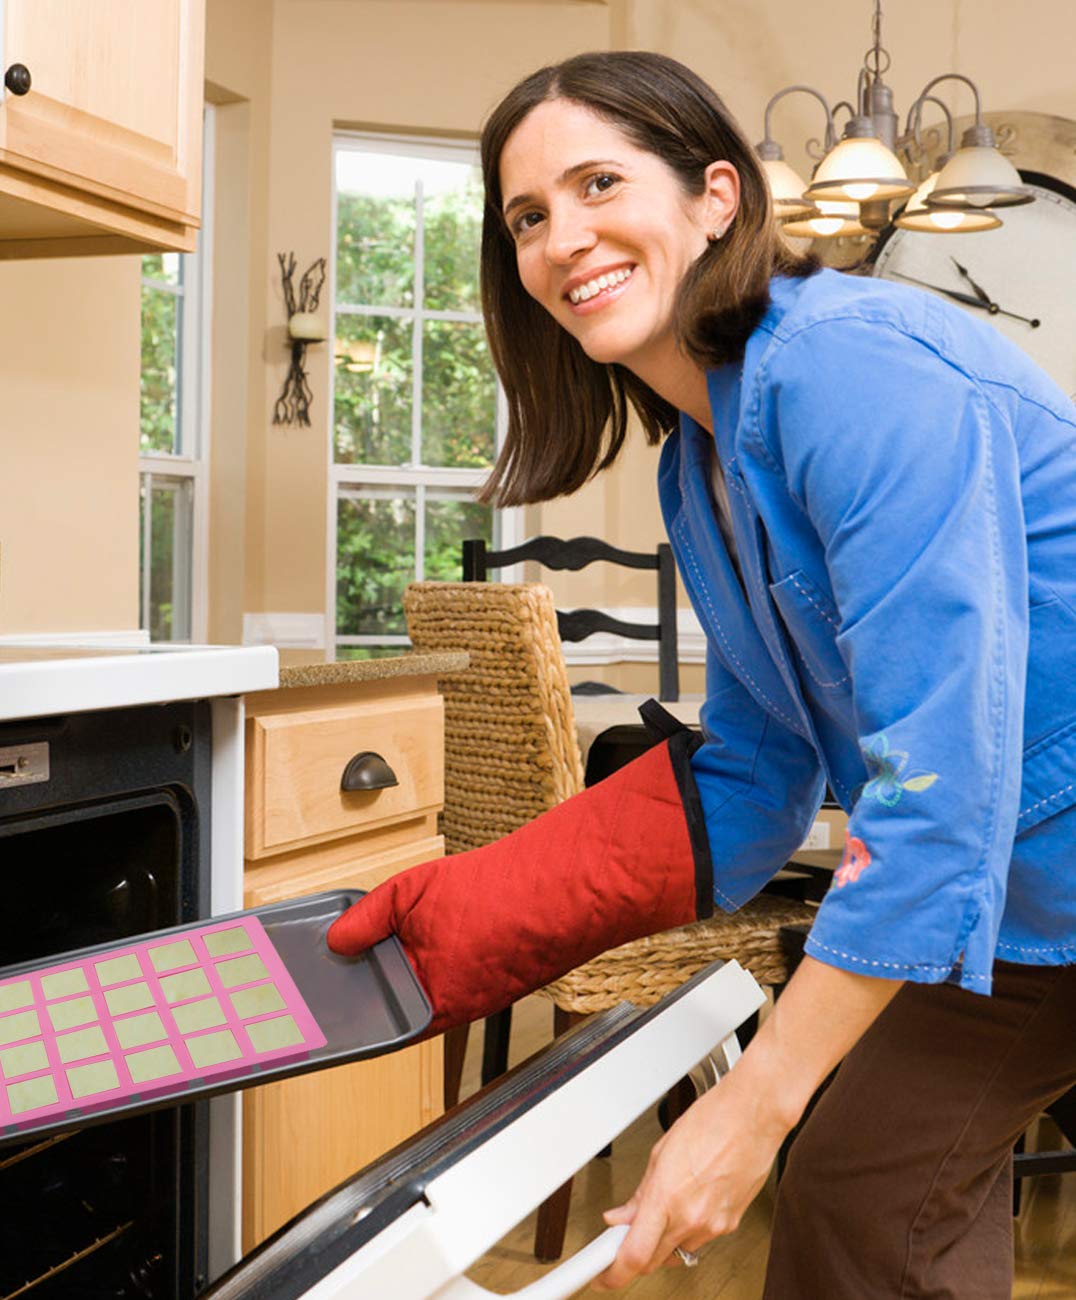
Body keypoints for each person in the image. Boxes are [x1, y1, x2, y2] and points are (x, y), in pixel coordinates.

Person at [328, 50, 1076, 1298]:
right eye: (526, 217)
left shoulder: (854, 368)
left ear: (715, 197)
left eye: (597, 184)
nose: (563, 238)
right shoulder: (699, 466)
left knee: (818, 1150)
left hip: (998, 861)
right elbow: (753, 777)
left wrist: (751, 1107)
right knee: (864, 1196)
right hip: (1016, 908)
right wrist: (474, 910)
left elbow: (938, 788)